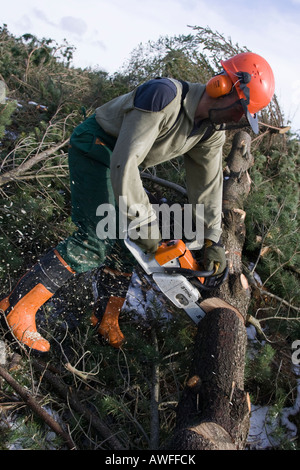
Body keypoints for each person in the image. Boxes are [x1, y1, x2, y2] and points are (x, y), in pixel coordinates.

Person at [0, 52, 275, 353]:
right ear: (220, 86)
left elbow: (206, 184)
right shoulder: (162, 95)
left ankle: (106, 316)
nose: (235, 121)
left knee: (124, 244)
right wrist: (146, 225)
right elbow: (125, 163)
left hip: (121, 160)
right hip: (97, 149)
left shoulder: (210, 131)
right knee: (97, 237)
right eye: (238, 112)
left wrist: (211, 238)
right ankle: (15, 306)